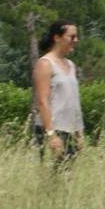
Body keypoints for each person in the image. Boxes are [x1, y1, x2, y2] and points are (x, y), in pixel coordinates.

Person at [32, 20, 85, 165]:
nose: (76, 40)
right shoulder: (45, 64)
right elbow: (42, 101)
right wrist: (51, 134)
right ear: (57, 38)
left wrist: (79, 132)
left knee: (67, 177)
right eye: (72, 37)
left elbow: (74, 101)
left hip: (70, 130)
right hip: (52, 129)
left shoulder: (71, 65)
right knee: (52, 177)